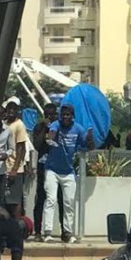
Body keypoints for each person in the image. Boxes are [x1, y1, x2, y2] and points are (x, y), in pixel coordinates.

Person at [43, 103, 94, 244]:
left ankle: (68, 233)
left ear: (73, 116)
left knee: (69, 202)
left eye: (68, 115)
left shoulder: (78, 129)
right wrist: (51, 138)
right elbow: (51, 133)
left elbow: (89, 146)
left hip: (68, 171)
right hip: (52, 170)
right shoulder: (56, 125)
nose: (65, 117)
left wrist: (90, 139)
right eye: (63, 115)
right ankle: (47, 233)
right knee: (51, 200)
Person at [32, 103, 62, 240]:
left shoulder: (60, 127)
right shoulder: (39, 127)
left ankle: (64, 232)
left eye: (52, 114)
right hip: (43, 167)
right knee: (41, 198)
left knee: (60, 199)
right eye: (47, 115)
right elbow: (37, 146)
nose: (50, 117)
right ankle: (38, 231)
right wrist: (45, 128)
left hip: (58, 167)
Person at [4, 99, 28, 217]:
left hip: (15, 169)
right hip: (3, 167)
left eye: (14, 109)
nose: (11, 112)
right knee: (5, 198)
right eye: (9, 109)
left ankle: (17, 225)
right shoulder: (4, 124)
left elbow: (21, 148)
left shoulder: (19, 125)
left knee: (15, 200)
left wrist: (15, 168)